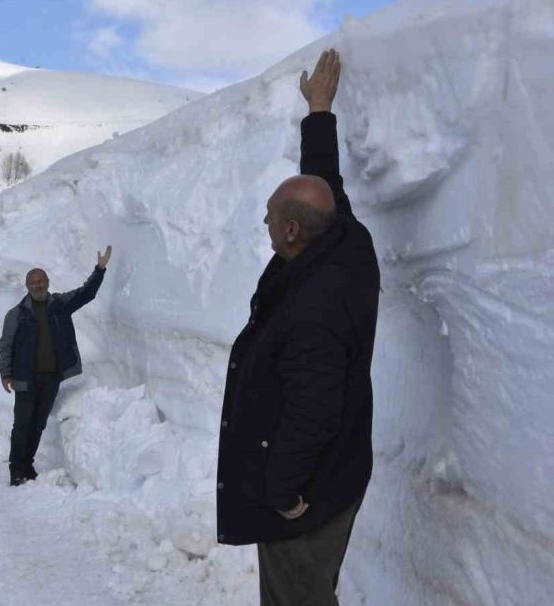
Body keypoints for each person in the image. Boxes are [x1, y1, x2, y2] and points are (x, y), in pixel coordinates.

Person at [215, 49, 380, 606]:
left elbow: (313, 411)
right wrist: (319, 112)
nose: (262, 225)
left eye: (268, 218)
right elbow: (325, 184)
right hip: (340, 470)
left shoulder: (312, 311)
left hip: (312, 491)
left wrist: (283, 494)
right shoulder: (345, 244)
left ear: (290, 231)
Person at [0, 246, 112, 486]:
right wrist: (6, 374)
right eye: (33, 283)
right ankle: (16, 469)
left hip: (51, 378)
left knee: (38, 424)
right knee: (22, 425)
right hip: (25, 379)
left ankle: (27, 466)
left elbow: (85, 294)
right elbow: (6, 345)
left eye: (41, 281)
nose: (37, 286)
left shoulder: (59, 304)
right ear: (27, 287)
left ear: (47, 282)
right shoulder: (16, 314)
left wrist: (99, 270)